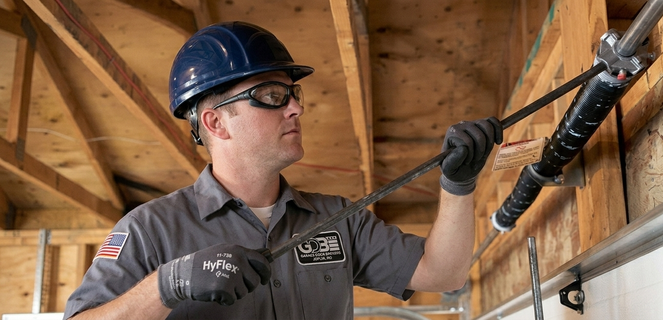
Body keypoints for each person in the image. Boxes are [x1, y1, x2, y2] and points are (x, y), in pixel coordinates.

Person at [63, 21, 502, 319]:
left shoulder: (337, 219)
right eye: (272, 95)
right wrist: (168, 283)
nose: (295, 107)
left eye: (293, 94)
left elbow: (443, 274)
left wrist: (458, 185)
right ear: (216, 121)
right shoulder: (149, 230)